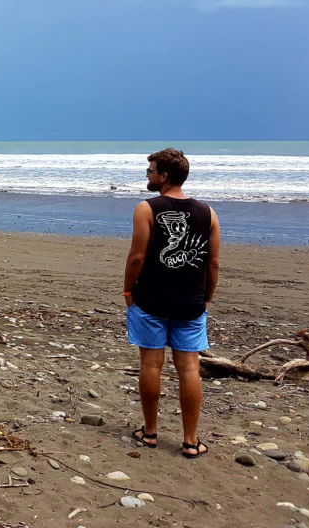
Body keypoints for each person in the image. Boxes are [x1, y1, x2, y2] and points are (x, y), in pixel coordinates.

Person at [122, 148, 220, 458]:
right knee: (189, 368)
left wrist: (127, 290)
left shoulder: (146, 209)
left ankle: (150, 432)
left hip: (151, 300)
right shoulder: (208, 212)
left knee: (151, 364)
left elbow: (137, 256)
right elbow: (213, 262)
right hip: (190, 302)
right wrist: (207, 297)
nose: (148, 175)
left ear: (164, 176)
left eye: (151, 171)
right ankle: (190, 440)